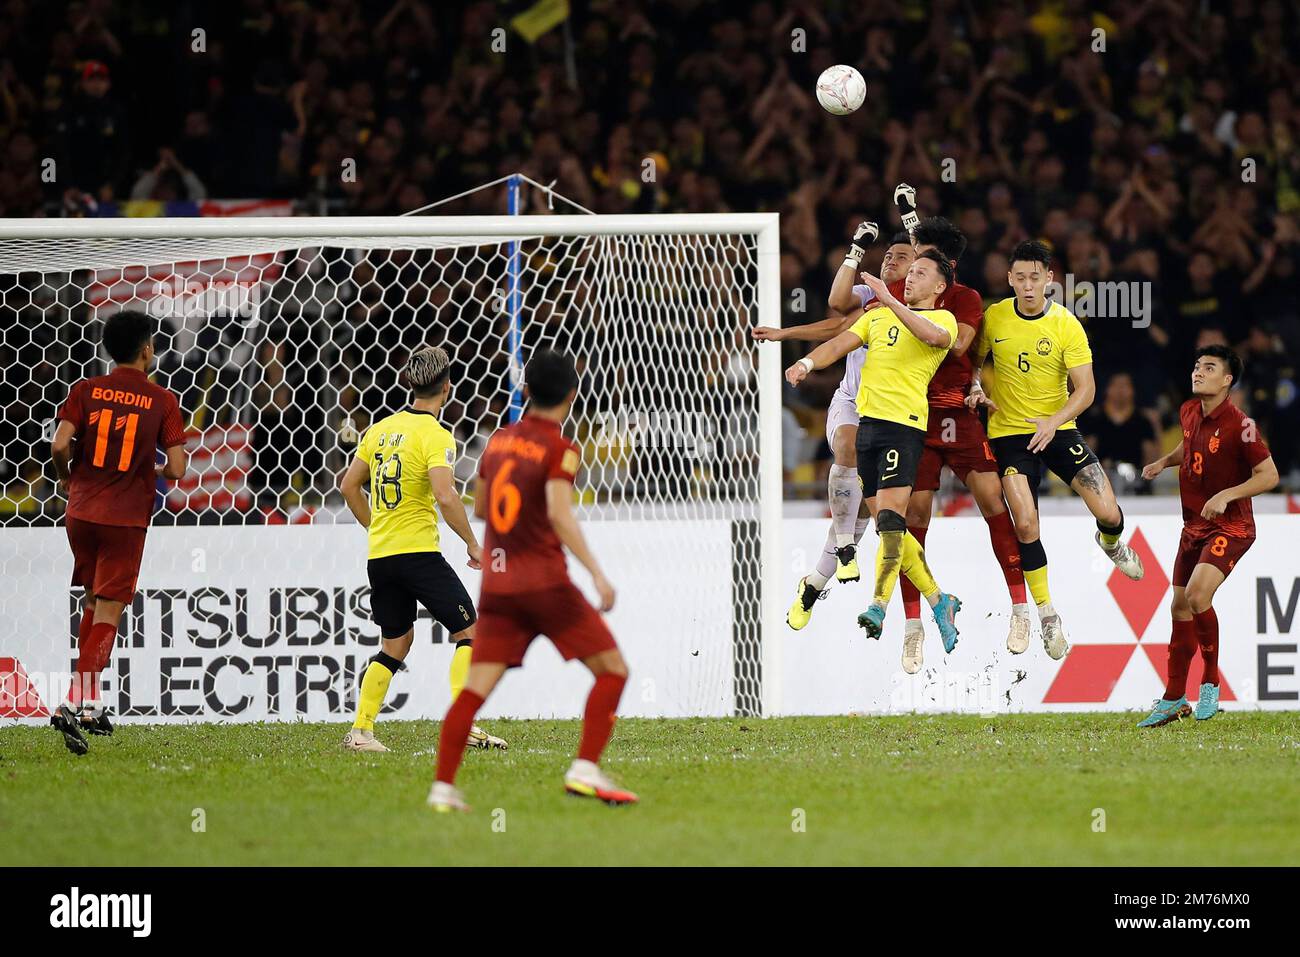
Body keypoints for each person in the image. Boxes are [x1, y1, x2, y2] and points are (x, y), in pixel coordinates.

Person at [429, 350, 636, 812]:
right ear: (571, 395)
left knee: (474, 691)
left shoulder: (498, 442)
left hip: (500, 587)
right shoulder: (561, 449)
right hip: (546, 584)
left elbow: (482, 509)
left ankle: (443, 788)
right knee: (613, 671)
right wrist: (598, 575)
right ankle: (584, 769)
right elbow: (560, 514)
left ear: (525, 392)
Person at [968, 240, 1144, 662]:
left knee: (1108, 510)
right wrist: (975, 386)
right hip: (1010, 435)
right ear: (1009, 279)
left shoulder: (1066, 324)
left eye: (1035, 277)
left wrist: (1053, 420)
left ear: (1049, 279)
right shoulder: (994, 317)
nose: (1028, 286)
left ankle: (1111, 542)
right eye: (1020, 278)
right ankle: (1047, 615)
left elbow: (1086, 389)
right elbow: (972, 362)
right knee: (1026, 524)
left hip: (1059, 428)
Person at [785, 252, 962, 652]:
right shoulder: (876, 317)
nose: (910, 277)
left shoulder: (941, 320)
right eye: (909, 271)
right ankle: (939, 600)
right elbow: (840, 342)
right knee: (887, 527)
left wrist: (889, 297)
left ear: (938, 287)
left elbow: (935, 340)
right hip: (869, 431)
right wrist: (807, 362)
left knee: (890, 522)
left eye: (920, 272)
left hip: (904, 430)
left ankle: (878, 605)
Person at [338, 346, 506, 753]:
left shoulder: (378, 430)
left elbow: (347, 486)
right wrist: (471, 542)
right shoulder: (436, 435)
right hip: (418, 555)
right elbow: (446, 496)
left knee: (395, 644)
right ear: (447, 387)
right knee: (471, 631)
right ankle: (463, 726)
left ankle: (361, 732)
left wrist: (376, 526)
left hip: (381, 557)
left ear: (410, 384)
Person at [752, 228, 916, 631]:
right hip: (852, 404)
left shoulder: (930, 313)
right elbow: (835, 315)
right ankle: (845, 550)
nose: (890, 260)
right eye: (888, 255)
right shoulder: (872, 299)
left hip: (897, 419)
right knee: (847, 445)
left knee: (868, 514)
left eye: (901, 256)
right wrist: (787, 337)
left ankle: (812, 584)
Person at [49, 310, 188, 754]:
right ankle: (72, 702)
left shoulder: (85, 390)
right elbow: (180, 468)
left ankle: (90, 706)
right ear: (147, 350)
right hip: (124, 518)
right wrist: (146, 462)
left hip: (81, 512)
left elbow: (58, 444)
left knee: (93, 599)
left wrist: (66, 477)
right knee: (110, 609)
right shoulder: (162, 400)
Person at [1137, 346, 1278, 726]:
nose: (1198, 372)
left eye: (1209, 368)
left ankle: (1211, 685)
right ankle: (1173, 698)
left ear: (1227, 380)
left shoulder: (1242, 425)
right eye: (1197, 365)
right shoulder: (1187, 410)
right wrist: (1164, 462)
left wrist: (1227, 495)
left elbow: (1269, 476)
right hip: (1194, 526)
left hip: (1232, 527)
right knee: (1179, 607)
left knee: (1198, 595)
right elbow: (1191, 445)